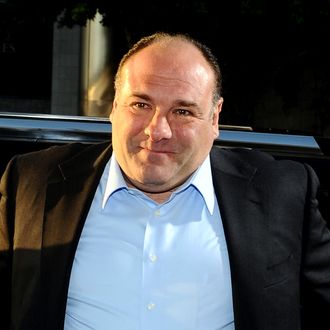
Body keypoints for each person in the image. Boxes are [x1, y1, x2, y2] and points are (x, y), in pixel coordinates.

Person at [0, 32, 329, 330]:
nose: (157, 131)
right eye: (141, 104)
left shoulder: (282, 193)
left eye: (183, 112)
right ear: (114, 107)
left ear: (214, 119)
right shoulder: (32, 181)